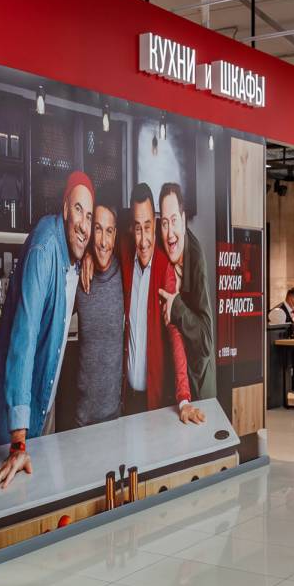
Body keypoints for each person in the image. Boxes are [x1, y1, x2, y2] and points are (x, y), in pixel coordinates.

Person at [0, 172, 94, 491]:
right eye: (78, 210)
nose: (84, 224)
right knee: (7, 503)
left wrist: (86, 255)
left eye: (89, 216)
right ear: (65, 209)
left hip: (40, 412)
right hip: (11, 426)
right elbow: (25, 336)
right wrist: (18, 443)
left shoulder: (71, 254)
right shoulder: (44, 249)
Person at [119, 183, 203, 423]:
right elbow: (102, 243)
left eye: (147, 227)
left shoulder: (165, 268)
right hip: (125, 400)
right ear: (131, 228)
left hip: (153, 403)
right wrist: (88, 258)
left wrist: (184, 399)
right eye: (137, 228)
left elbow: (176, 335)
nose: (143, 239)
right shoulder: (125, 254)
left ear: (155, 225)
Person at [156, 182, 214, 415]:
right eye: (164, 223)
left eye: (174, 221)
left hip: (200, 388)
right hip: (175, 390)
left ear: (183, 219)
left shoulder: (196, 260)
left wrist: (176, 306)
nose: (170, 232)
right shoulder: (163, 245)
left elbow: (207, 341)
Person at [71, 203, 124, 427]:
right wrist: (85, 256)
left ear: (115, 235)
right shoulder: (79, 276)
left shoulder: (125, 275)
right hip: (80, 418)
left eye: (109, 231)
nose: (103, 241)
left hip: (116, 416)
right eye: (98, 229)